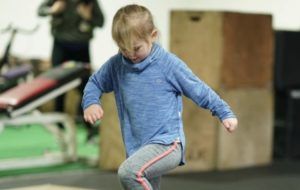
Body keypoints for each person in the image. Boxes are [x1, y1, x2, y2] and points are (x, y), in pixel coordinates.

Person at [82, 4, 238, 190]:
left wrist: (224, 112)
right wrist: (91, 102)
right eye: (123, 49)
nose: (130, 54)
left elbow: (199, 89)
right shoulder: (117, 65)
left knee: (129, 173)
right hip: (138, 147)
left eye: (136, 48)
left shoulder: (168, 65)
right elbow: (95, 83)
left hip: (167, 143)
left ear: (153, 36)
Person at [37, 0, 104, 142]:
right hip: (61, 46)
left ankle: (88, 125)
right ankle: (58, 129)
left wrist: (88, 17)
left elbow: (101, 22)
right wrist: (53, 11)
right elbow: (40, 11)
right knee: (58, 88)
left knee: (87, 88)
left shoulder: (91, 2)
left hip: (81, 48)